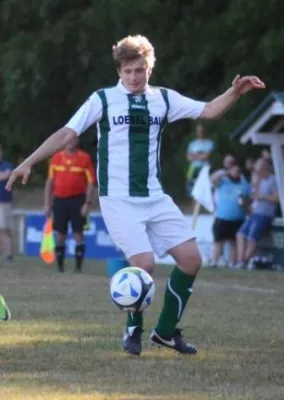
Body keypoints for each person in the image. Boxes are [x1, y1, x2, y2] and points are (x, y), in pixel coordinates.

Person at [6, 35, 265, 356]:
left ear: (149, 68)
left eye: (140, 70)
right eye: (128, 71)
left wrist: (234, 92)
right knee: (143, 263)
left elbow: (210, 111)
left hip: (155, 197)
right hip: (118, 200)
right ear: (119, 70)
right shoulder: (102, 99)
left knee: (191, 260)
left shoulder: (164, 99)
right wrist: (29, 161)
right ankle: (133, 330)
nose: (134, 77)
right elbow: (67, 133)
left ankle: (166, 332)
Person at [44, 137, 96, 273]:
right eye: (66, 140)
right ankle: (60, 268)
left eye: (72, 140)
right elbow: (49, 182)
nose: (69, 142)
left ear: (77, 141)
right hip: (59, 200)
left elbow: (91, 182)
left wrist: (87, 203)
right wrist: (47, 204)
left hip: (77, 200)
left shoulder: (84, 158)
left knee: (78, 233)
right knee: (60, 234)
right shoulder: (56, 158)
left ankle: (78, 268)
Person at [236, 158, 278, 269]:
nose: (256, 173)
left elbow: (275, 199)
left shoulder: (273, 180)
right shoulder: (259, 180)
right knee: (240, 234)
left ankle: (243, 262)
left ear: (265, 169)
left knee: (252, 238)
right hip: (255, 213)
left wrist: (262, 197)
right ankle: (240, 260)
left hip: (265, 214)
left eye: (258, 171)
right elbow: (253, 196)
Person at [210, 164, 250, 268]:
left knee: (234, 242)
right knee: (218, 241)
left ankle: (232, 263)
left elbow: (248, 201)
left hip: (238, 218)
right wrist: (223, 172)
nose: (236, 173)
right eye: (233, 171)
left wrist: (244, 202)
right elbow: (212, 179)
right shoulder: (223, 182)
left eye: (238, 171)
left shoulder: (244, 184)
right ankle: (214, 262)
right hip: (222, 217)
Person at [186, 124, 214, 195]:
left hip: (205, 167)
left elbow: (206, 157)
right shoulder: (192, 144)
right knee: (191, 186)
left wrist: (194, 155)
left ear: (204, 132)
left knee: (205, 187)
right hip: (193, 168)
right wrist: (201, 155)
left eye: (201, 131)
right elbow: (189, 158)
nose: (200, 132)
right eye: (198, 131)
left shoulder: (209, 143)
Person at [0, 144, 14, 262]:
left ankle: (8, 254)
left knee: (5, 228)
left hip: (4, 202)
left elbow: (7, 175)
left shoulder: (7, 165)